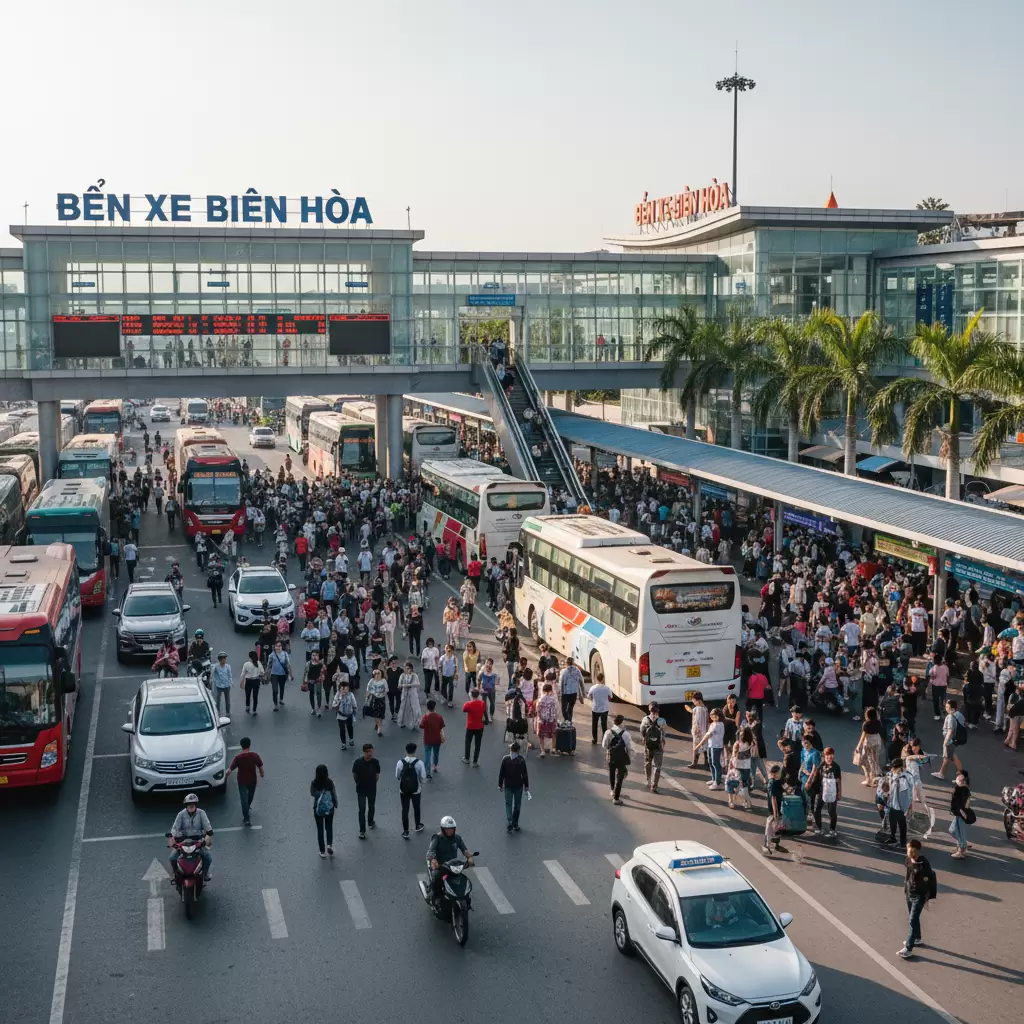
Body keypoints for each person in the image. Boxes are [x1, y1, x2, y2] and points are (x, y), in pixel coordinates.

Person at [898, 838, 937, 959]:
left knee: (912, 920)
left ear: (915, 851)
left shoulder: (924, 865)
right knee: (913, 919)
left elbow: (925, 879)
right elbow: (908, 869)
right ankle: (917, 938)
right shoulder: (909, 859)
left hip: (918, 896)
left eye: (909, 849)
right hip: (909, 893)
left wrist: (916, 863)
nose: (907, 851)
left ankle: (908, 948)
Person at [426, 815, 472, 903]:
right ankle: (432, 895)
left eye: (452, 829)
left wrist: (469, 857)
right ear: (443, 829)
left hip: (453, 865)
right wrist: (433, 860)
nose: (450, 831)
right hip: (440, 865)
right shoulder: (437, 837)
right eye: (448, 829)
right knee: (436, 877)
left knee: (461, 879)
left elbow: (464, 849)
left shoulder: (457, 838)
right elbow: (431, 851)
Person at [168, 793, 213, 881]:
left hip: (198, 841)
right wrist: (172, 838)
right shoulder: (181, 814)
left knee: (207, 857)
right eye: (189, 804)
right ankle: (175, 873)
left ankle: (205, 872)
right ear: (186, 805)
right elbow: (174, 829)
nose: (191, 806)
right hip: (183, 841)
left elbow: (208, 827)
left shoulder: (201, 813)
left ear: (196, 805)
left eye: (193, 804)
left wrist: (208, 835)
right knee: (172, 858)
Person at [225, 736, 264, 826]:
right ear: (249, 745)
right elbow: (260, 766)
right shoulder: (255, 756)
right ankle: (247, 812)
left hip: (242, 781)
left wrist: (224, 777)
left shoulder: (238, 757)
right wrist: (262, 774)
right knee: (250, 797)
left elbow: (229, 770)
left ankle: (246, 817)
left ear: (241, 746)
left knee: (244, 799)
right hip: (252, 780)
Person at [397, 742, 426, 839]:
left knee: (405, 809)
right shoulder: (419, 763)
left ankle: (406, 831)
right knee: (416, 807)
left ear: (406, 750)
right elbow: (423, 777)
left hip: (403, 790)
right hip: (416, 790)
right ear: (415, 750)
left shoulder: (400, 762)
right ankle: (417, 825)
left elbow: (397, 776)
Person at [498, 741, 529, 832]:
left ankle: (510, 820)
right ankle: (515, 823)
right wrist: (526, 786)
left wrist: (500, 785)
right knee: (517, 805)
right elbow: (524, 774)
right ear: (518, 750)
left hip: (508, 785)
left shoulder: (505, 759)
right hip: (518, 786)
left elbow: (501, 773)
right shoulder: (521, 760)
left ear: (510, 749)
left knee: (508, 803)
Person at [931, 699, 965, 780]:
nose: (946, 708)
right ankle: (961, 773)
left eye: (947, 707)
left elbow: (950, 731)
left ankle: (942, 774)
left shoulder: (950, 717)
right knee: (953, 756)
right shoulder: (959, 715)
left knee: (946, 758)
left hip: (950, 740)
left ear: (952, 709)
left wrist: (945, 741)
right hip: (955, 739)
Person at [352, 743, 380, 839]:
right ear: (364, 752)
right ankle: (362, 830)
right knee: (362, 810)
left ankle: (370, 821)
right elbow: (354, 774)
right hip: (361, 790)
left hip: (372, 789)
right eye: (367, 752)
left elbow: (377, 774)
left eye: (371, 751)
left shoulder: (375, 762)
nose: (369, 753)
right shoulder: (358, 762)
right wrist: (358, 783)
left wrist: (373, 782)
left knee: (371, 806)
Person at [603, 714, 633, 805]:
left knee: (611, 773)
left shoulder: (608, 732)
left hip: (611, 756)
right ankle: (616, 798)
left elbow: (604, 745)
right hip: (621, 758)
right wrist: (629, 758)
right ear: (622, 723)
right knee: (619, 777)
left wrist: (610, 749)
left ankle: (612, 790)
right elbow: (629, 748)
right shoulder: (626, 734)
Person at [310, 764, 338, 858]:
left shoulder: (314, 782)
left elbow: (312, 793)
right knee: (329, 827)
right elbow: (334, 793)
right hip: (329, 808)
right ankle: (329, 845)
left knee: (320, 829)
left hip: (318, 809)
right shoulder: (329, 782)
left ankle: (322, 851)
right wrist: (335, 803)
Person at [639, 701, 667, 794]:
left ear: (649, 709)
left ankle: (647, 780)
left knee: (648, 762)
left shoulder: (645, 719)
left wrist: (645, 739)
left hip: (648, 745)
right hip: (658, 746)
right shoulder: (662, 721)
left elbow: (642, 730)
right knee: (657, 766)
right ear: (658, 710)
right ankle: (654, 786)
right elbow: (663, 733)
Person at [762, 765, 789, 856]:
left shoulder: (778, 782)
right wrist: (775, 813)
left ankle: (776, 844)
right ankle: (766, 846)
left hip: (779, 808)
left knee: (778, 828)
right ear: (776, 773)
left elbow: (785, 789)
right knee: (770, 828)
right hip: (773, 810)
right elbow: (773, 798)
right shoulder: (772, 783)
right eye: (780, 772)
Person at [696, 708, 725, 789]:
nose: (713, 718)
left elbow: (707, 735)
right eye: (712, 716)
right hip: (711, 745)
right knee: (711, 762)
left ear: (719, 716)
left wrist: (699, 745)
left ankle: (718, 782)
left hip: (716, 746)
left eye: (715, 716)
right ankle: (714, 779)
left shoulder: (718, 724)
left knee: (715, 763)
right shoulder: (713, 724)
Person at [854, 706, 884, 786]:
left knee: (864, 760)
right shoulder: (878, 722)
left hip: (869, 742)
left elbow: (863, 736)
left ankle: (868, 779)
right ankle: (875, 777)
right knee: (875, 760)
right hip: (877, 741)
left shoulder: (866, 724)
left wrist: (858, 746)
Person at [818, 746, 842, 837]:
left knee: (832, 811)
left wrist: (839, 793)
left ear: (833, 755)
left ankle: (832, 829)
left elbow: (839, 780)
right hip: (822, 791)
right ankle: (819, 827)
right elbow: (818, 777)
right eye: (827, 755)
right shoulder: (822, 765)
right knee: (817, 809)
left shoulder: (836, 767)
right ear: (824, 756)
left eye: (831, 755)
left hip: (832, 792)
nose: (829, 757)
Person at [949, 770, 973, 859]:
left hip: (961, 815)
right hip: (959, 814)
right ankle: (962, 844)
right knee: (953, 830)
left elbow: (962, 805)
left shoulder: (964, 791)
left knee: (958, 831)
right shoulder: (962, 789)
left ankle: (961, 849)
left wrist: (962, 814)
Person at [419, 698, 446, 779]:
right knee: (436, 753)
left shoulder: (425, 717)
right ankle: (435, 766)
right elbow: (442, 727)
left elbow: (421, 726)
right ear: (434, 707)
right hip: (437, 739)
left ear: (427, 708)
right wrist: (443, 736)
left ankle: (427, 772)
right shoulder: (439, 717)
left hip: (427, 739)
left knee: (427, 755)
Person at [462, 687, 486, 766]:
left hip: (470, 726)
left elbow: (464, 709)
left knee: (468, 742)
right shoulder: (482, 703)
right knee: (477, 744)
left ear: (471, 695)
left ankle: (467, 758)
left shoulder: (468, 704)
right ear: (478, 695)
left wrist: (470, 700)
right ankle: (475, 761)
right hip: (479, 726)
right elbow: (484, 710)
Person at [685, 692, 709, 768]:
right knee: (705, 746)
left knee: (696, 747)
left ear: (698, 701)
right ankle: (707, 762)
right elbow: (706, 720)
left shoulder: (697, 709)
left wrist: (695, 730)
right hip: (704, 730)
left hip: (697, 731)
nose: (694, 703)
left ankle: (694, 763)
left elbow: (696, 721)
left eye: (694, 701)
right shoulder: (705, 708)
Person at [534, 681, 559, 756]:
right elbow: (555, 710)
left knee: (541, 736)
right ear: (551, 690)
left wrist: (539, 718)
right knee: (553, 734)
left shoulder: (540, 699)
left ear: (543, 690)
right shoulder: (553, 699)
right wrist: (555, 718)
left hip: (542, 721)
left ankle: (542, 751)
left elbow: (537, 710)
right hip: (551, 720)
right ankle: (553, 748)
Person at [587, 670, 611, 745]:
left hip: (595, 708)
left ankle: (595, 739)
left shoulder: (593, 688)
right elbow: (610, 697)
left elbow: (589, 696)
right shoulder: (607, 688)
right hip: (604, 709)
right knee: (604, 725)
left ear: (597, 679)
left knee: (595, 724)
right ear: (603, 679)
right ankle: (604, 739)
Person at [268, 639, 293, 711]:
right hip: (274, 674)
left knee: (282, 688)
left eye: (279, 646)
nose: (278, 647)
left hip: (282, 674)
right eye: (276, 646)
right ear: (274, 647)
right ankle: (275, 705)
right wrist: (267, 674)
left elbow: (288, 665)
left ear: (282, 647)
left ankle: (281, 699)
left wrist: (291, 674)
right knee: (275, 690)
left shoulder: (285, 654)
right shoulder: (272, 655)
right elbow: (269, 666)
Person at [398, 660, 423, 729]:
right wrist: (403, 685)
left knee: (414, 708)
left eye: (408, 668)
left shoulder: (414, 675)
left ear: (411, 668)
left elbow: (418, 684)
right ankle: (402, 722)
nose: (406, 670)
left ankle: (415, 723)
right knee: (403, 708)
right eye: (405, 668)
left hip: (412, 694)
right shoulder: (402, 675)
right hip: (405, 694)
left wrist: (410, 685)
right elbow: (399, 685)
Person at [239, 649, 264, 715]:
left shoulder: (246, 664)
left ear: (250, 657)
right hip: (256, 681)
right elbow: (262, 672)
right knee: (255, 696)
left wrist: (241, 683)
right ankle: (254, 710)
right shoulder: (258, 663)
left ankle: (247, 707)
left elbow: (242, 674)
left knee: (248, 695)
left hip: (249, 681)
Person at [365, 669, 388, 736]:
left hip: (381, 700)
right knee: (375, 714)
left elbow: (386, 689)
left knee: (380, 714)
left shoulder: (383, 681)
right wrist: (367, 697)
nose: (377, 675)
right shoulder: (371, 681)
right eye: (376, 674)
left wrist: (383, 693)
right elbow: (368, 689)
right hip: (374, 699)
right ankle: (378, 725)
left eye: (379, 673)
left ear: (381, 674)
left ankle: (379, 729)